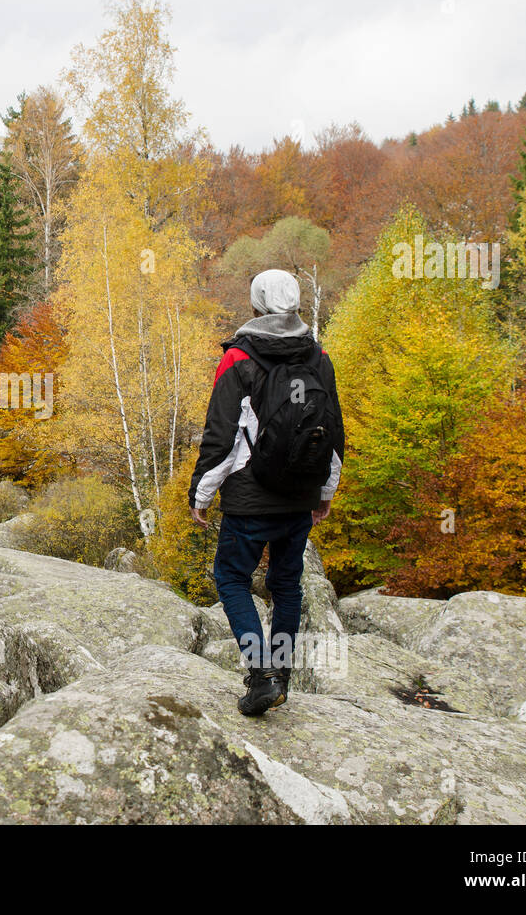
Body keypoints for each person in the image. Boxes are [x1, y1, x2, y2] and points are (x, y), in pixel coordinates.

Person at [189, 268, 345, 716]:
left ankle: (262, 674)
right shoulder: (319, 357)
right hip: (299, 493)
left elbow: (221, 437)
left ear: (255, 304)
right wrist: (326, 491)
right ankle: (280, 673)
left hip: (250, 497)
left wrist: (201, 495)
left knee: (232, 579)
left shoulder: (239, 358)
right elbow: (333, 433)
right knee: (286, 585)